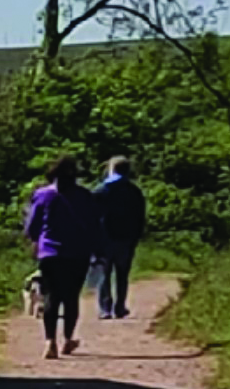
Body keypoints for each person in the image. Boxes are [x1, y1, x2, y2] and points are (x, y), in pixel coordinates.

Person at [23, 154, 101, 360]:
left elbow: (32, 226)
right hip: (78, 253)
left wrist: (35, 241)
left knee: (51, 297)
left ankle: (50, 342)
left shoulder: (42, 195)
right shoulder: (85, 196)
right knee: (71, 297)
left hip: (49, 253)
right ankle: (68, 339)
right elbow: (94, 224)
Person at [94, 156, 147, 320]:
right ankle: (120, 306)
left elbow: (91, 215)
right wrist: (136, 236)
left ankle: (105, 308)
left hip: (105, 237)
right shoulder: (134, 191)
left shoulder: (101, 190)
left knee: (104, 273)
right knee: (122, 274)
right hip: (126, 238)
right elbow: (140, 216)